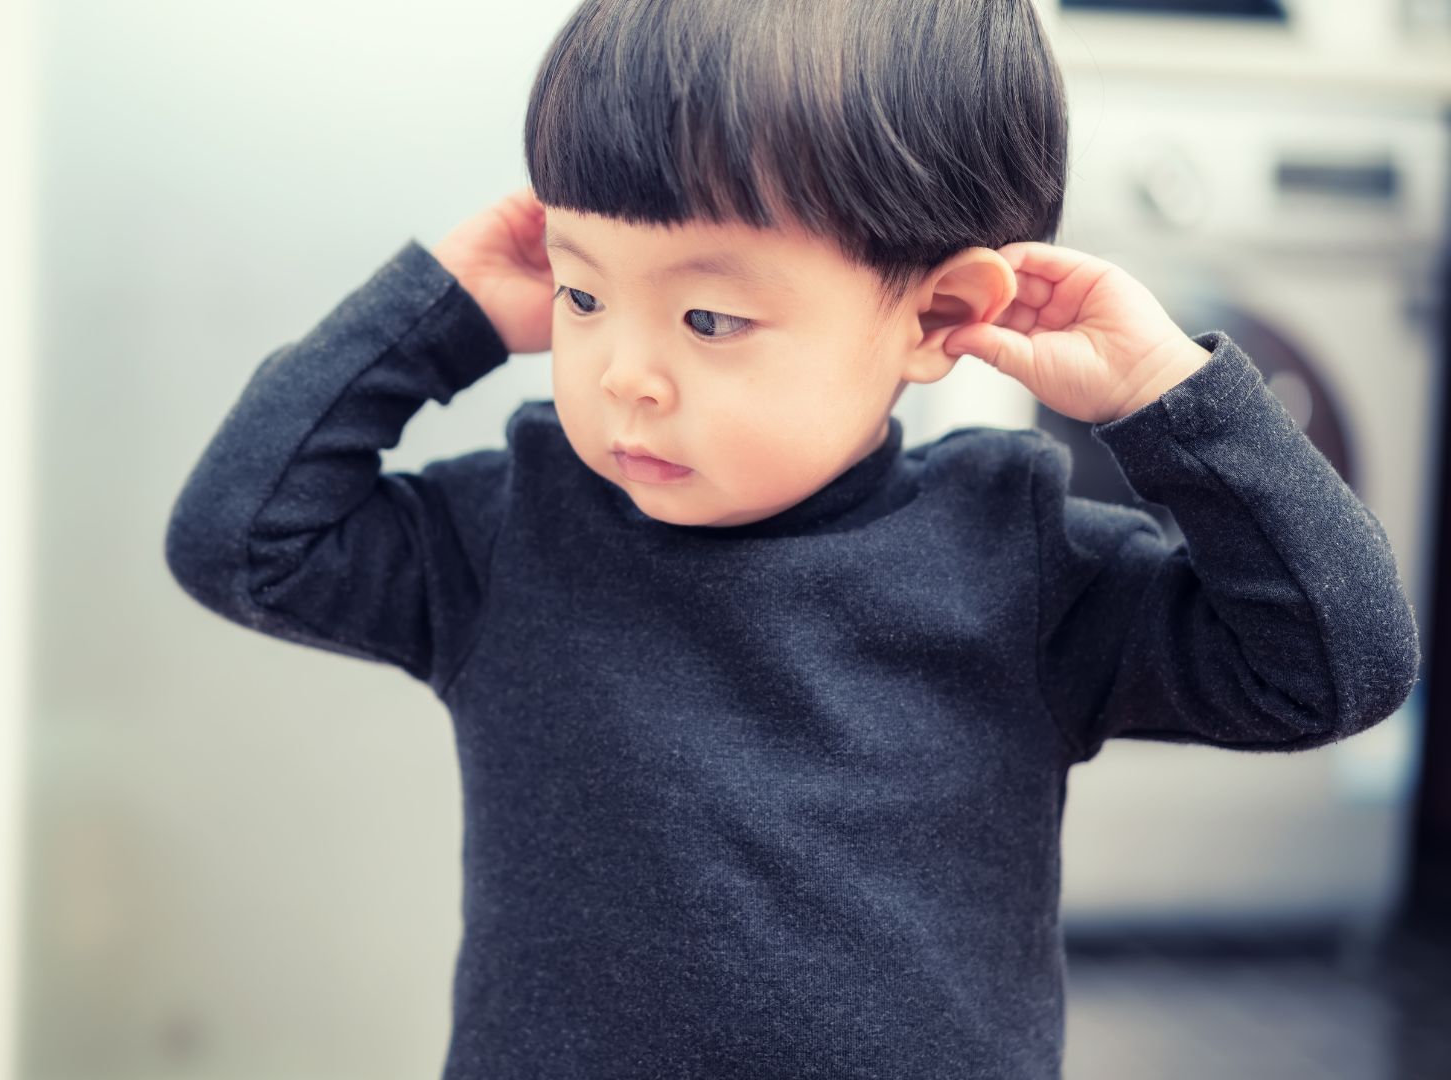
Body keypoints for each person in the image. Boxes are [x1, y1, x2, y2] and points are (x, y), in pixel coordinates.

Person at [164, 1, 1422, 1075]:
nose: (623, 377)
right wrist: (434, 317)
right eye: (583, 291)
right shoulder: (514, 534)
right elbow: (242, 539)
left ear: (939, 316)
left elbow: (1334, 664)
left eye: (709, 317)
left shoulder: (1015, 565)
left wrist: (1168, 404)